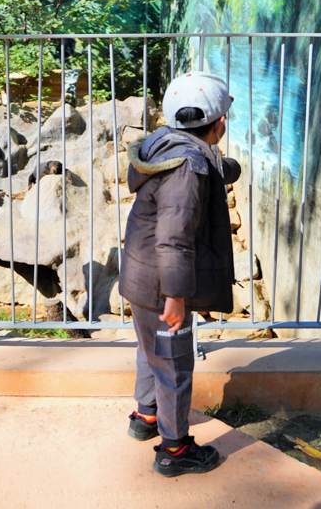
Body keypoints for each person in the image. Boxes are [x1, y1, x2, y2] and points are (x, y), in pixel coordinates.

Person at [119, 71, 241, 477]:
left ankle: (146, 417)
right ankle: (174, 449)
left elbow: (201, 169)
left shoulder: (164, 144)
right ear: (219, 123)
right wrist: (175, 294)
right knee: (173, 363)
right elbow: (174, 236)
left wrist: (228, 169)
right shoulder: (188, 168)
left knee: (150, 349)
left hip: (141, 275)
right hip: (161, 282)